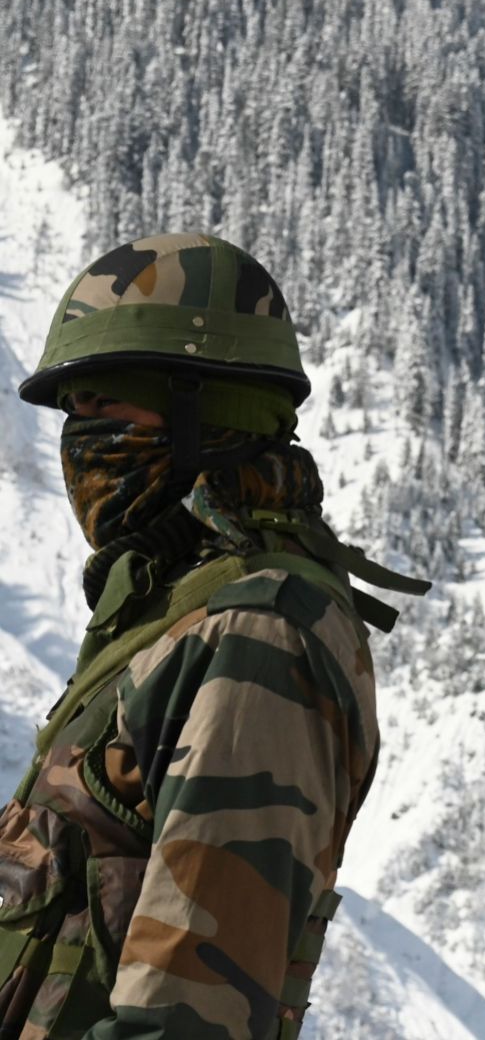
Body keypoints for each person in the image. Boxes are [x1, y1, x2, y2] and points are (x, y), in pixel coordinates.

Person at [1, 232, 428, 1038]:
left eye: (105, 404)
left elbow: (187, 1018)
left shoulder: (261, 629)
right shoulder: (177, 610)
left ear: (209, 406)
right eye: (74, 413)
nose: (79, 440)